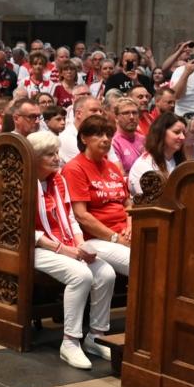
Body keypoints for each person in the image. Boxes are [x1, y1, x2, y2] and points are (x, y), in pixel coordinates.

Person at [28, 131, 116, 370]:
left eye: (57, 152)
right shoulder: (22, 181)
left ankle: (95, 336)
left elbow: (69, 217)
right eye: (49, 154)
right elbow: (23, 228)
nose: (57, 158)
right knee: (82, 275)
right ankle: (70, 342)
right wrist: (64, 249)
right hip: (34, 247)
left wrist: (79, 244)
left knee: (106, 273)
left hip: (66, 243)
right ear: (34, 158)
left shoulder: (58, 180)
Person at [61, 113, 131, 276]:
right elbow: (82, 216)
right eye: (99, 134)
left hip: (123, 234)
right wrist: (116, 238)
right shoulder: (75, 168)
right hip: (96, 238)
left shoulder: (112, 167)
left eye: (108, 135)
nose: (106, 139)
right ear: (84, 139)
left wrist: (131, 226)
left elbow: (128, 204)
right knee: (141, 261)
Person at [126, 112, 185, 197]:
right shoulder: (144, 164)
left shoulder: (178, 159)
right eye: (177, 132)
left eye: (184, 133)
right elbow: (151, 202)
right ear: (161, 133)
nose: (183, 137)